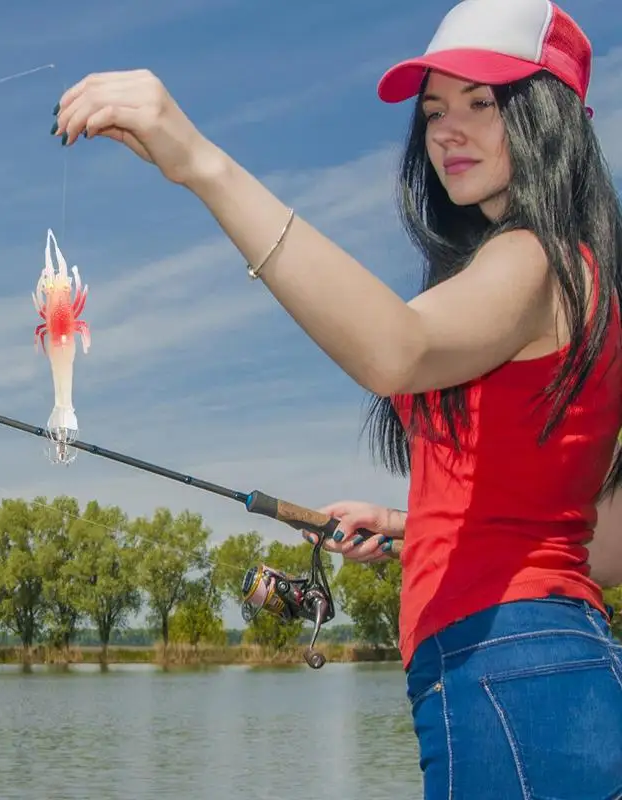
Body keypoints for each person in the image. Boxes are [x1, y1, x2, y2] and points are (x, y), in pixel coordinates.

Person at [51, 0, 622, 795]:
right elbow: (596, 542)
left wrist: (200, 163)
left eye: (481, 103)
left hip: (507, 675)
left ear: (548, 118)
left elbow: (395, 349)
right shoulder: (584, 277)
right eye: (433, 111)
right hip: (544, 672)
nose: (446, 130)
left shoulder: (534, 259)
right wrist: (413, 527)